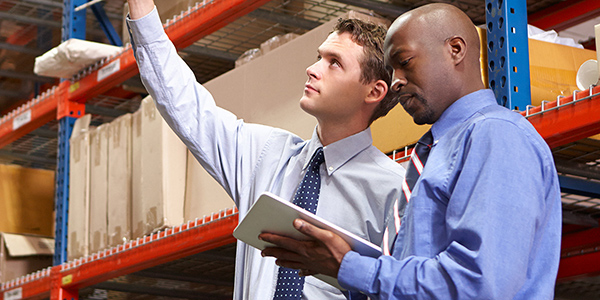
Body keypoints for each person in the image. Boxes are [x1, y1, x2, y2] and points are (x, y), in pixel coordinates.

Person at [260, 3, 562, 299]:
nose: (395, 82)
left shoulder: (495, 136)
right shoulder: (437, 151)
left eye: (404, 62)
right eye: (391, 71)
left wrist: (352, 267)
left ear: (455, 49)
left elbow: (478, 285)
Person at [125, 0, 405, 299]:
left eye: (334, 62)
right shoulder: (266, 156)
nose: (312, 69)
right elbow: (186, 105)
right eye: (318, 57)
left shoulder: (393, 191)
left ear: (374, 91)